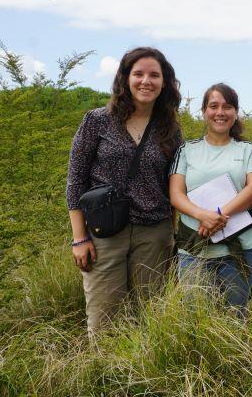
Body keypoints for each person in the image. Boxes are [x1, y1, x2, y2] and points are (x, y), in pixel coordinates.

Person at [67, 46, 183, 332]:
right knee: (104, 317)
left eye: (154, 75)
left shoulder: (169, 128)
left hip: (154, 232)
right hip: (104, 232)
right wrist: (79, 238)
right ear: (125, 78)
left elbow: (175, 182)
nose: (146, 81)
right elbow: (75, 180)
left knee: (152, 316)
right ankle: (104, 374)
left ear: (164, 82)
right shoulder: (97, 120)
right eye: (139, 74)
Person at [169, 83, 252, 315]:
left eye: (227, 107)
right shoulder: (186, 150)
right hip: (194, 246)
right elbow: (176, 194)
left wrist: (219, 216)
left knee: (236, 314)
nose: (220, 112)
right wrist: (203, 216)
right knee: (195, 315)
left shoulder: (246, 150)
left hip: (240, 246)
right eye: (214, 106)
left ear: (235, 112)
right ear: (204, 112)